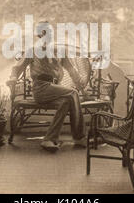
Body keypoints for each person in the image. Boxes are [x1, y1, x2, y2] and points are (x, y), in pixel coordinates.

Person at [6, 24, 89, 152]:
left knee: (66, 101)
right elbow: (17, 68)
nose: (47, 36)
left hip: (55, 89)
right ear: (39, 36)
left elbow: (72, 70)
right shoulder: (32, 51)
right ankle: (79, 137)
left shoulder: (60, 51)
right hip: (41, 88)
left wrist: (82, 88)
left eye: (49, 33)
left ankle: (49, 139)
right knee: (72, 93)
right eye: (44, 33)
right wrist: (12, 78)